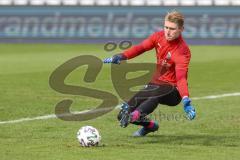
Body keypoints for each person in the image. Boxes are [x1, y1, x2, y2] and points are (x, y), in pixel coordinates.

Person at [103, 10, 196, 137]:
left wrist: (186, 100)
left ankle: (135, 115)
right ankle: (150, 126)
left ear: (181, 29)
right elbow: (140, 48)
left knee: (154, 94)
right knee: (122, 115)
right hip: (155, 85)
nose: (168, 32)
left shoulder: (182, 51)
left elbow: (181, 78)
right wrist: (121, 56)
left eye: (172, 29)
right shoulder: (158, 37)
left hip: (173, 91)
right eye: (166, 27)